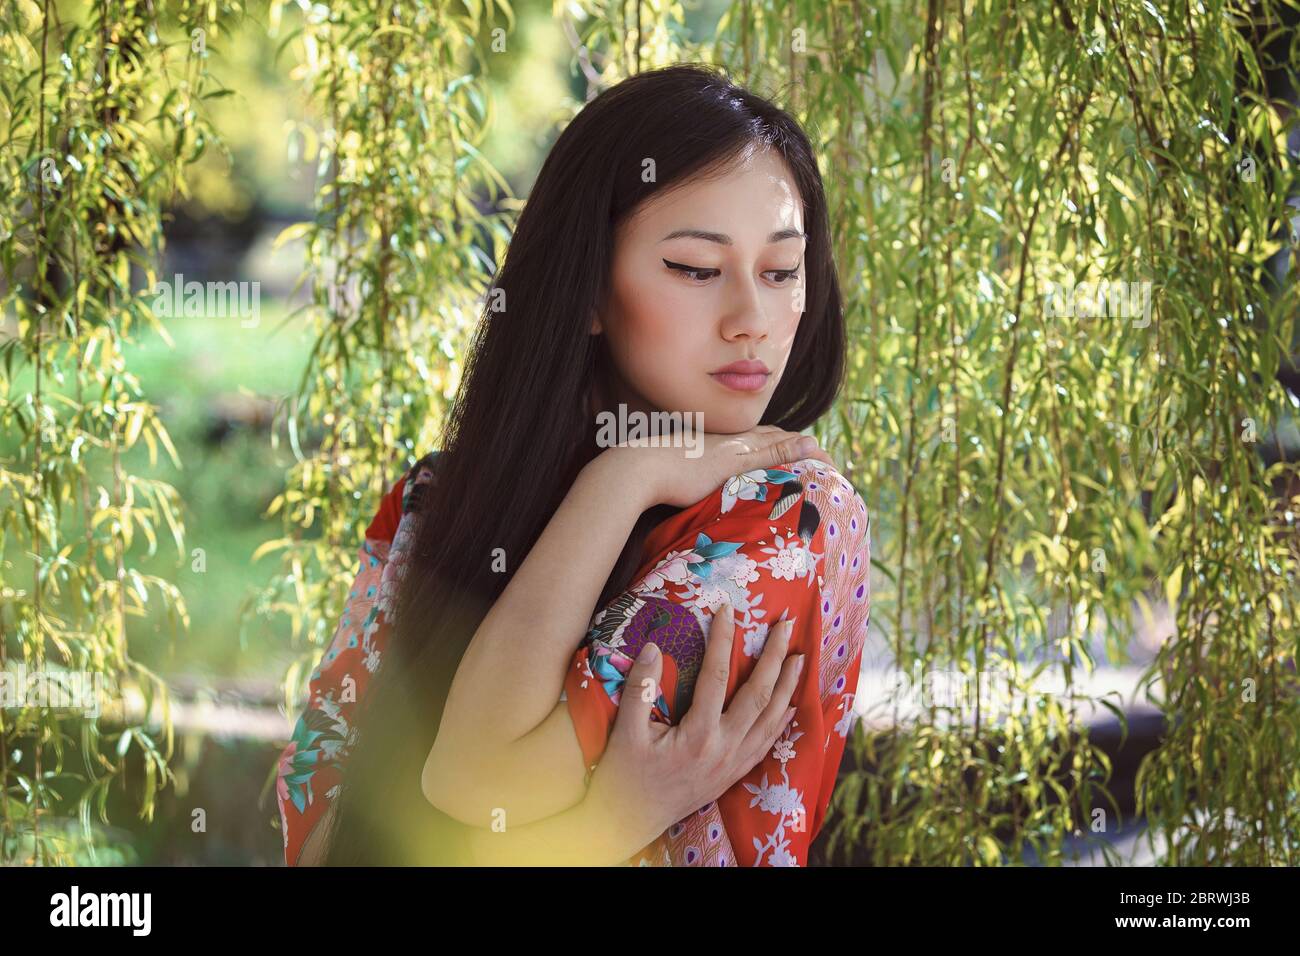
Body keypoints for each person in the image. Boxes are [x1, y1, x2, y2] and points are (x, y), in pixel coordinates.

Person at [273, 62, 872, 866]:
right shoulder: (430, 504)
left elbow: (474, 778)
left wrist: (622, 478)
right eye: (697, 269)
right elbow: (322, 838)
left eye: (780, 271)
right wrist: (610, 823)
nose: (752, 320)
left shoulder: (787, 518)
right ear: (587, 286)